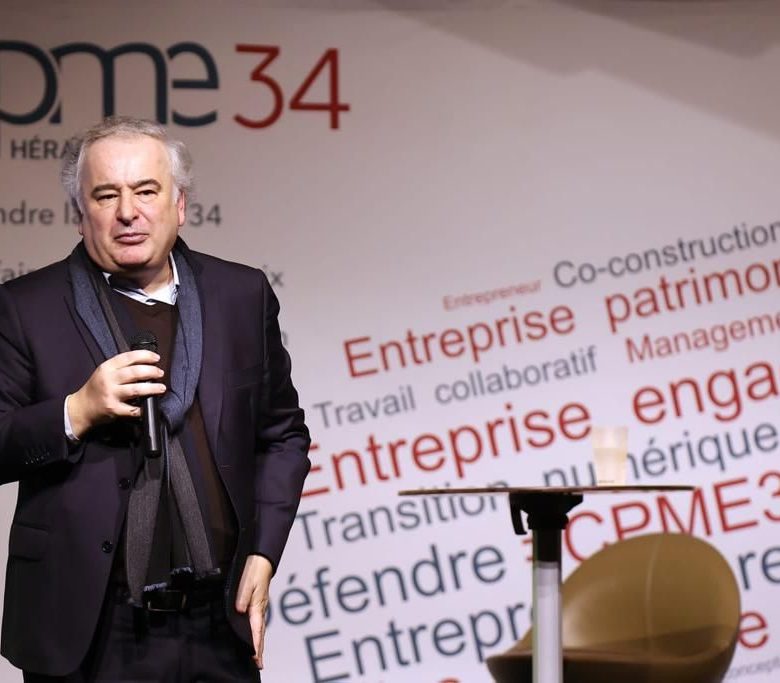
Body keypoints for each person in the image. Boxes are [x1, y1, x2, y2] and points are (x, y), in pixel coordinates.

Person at [0, 116, 311, 681]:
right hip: (88, 628)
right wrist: (75, 411)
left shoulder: (240, 294)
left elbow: (282, 436)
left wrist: (264, 554)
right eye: (106, 195)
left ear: (179, 204)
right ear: (79, 213)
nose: (128, 212)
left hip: (217, 620)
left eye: (146, 191)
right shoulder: (25, 307)